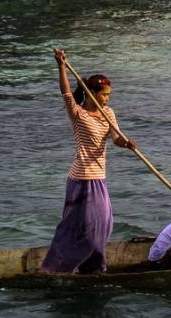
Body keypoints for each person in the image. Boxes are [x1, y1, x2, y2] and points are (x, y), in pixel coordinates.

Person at [41, 49, 136, 274]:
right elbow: (65, 92)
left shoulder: (108, 113)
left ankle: (92, 266)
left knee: (104, 225)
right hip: (81, 179)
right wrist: (61, 66)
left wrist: (127, 143)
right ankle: (59, 267)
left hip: (99, 178)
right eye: (104, 95)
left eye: (108, 95)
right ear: (91, 93)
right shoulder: (78, 114)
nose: (107, 99)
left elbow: (116, 138)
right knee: (77, 228)